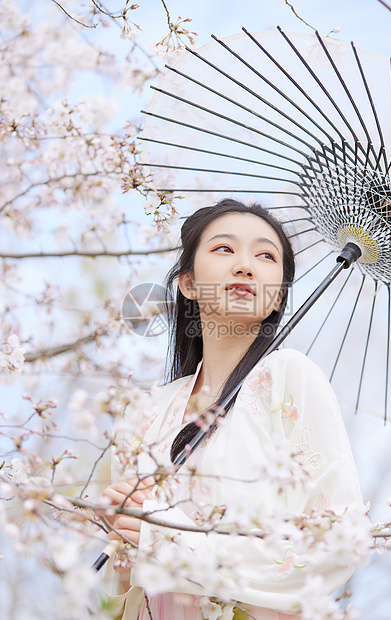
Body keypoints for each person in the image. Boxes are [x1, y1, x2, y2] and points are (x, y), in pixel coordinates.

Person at [101, 199, 364, 620]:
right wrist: (121, 529)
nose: (245, 266)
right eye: (224, 249)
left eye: (265, 255)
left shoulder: (290, 377)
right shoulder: (144, 412)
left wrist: (168, 542)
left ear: (278, 297)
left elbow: (340, 538)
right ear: (187, 283)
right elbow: (125, 574)